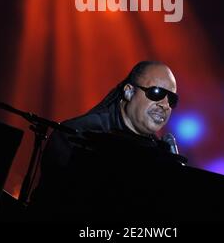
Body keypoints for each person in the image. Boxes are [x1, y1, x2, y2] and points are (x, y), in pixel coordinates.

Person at [28, 60, 179, 220]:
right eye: (156, 93)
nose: (165, 105)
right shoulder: (78, 134)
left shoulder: (159, 153)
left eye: (172, 99)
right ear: (129, 91)